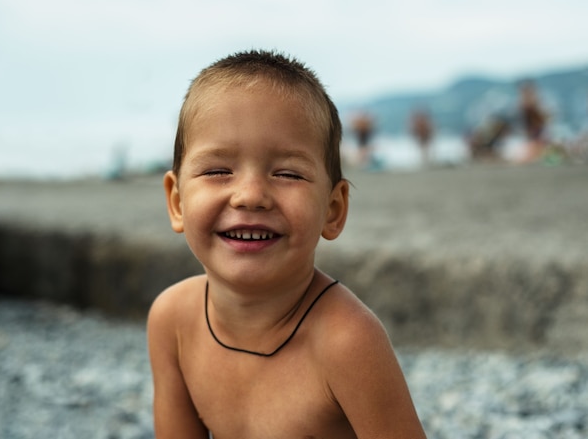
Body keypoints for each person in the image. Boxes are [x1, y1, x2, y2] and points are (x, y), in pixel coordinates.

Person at [147, 50, 427, 439]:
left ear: (333, 209)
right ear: (177, 202)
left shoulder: (346, 341)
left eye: (287, 173)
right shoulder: (173, 320)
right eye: (217, 171)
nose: (250, 195)